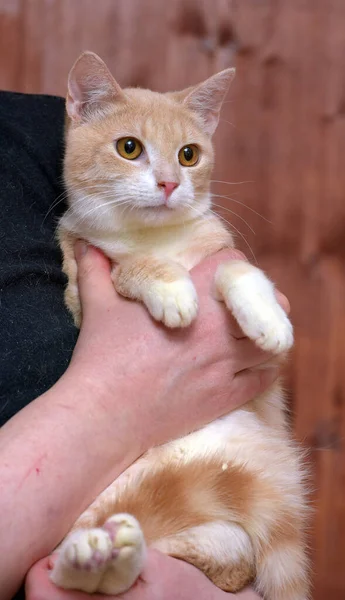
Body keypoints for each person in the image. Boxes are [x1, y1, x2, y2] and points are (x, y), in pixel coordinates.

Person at [0, 91, 287, 600]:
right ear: (82, 111)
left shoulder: (27, 134)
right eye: (132, 147)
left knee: (227, 537)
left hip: (213, 500)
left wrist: (240, 283)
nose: (168, 179)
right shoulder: (80, 231)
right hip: (121, 503)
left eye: (188, 155)